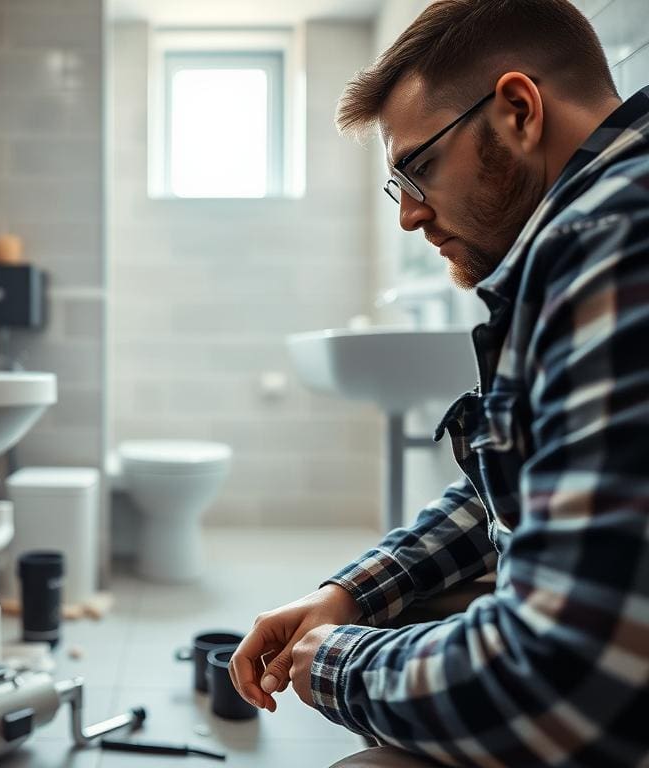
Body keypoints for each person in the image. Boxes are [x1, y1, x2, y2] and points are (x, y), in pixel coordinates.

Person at [228, 1, 649, 765]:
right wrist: (352, 593)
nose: (410, 216)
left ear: (518, 110)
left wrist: (330, 662)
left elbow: (560, 684)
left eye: (417, 167)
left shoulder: (608, 241)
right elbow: (538, 476)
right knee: (396, 626)